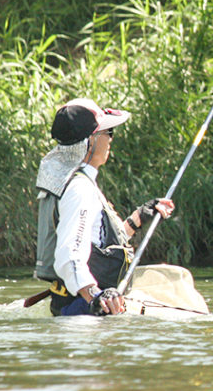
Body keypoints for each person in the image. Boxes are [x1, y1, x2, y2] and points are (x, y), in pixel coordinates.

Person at [34, 98, 174, 316]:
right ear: (90, 141)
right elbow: (69, 256)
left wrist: (140, 217)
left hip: (75, 303)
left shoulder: (72, 181)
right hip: (82, 310)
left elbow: (95, 242)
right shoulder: (78, 188)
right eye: (107, 132)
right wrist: (96, 296)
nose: (110, 139)